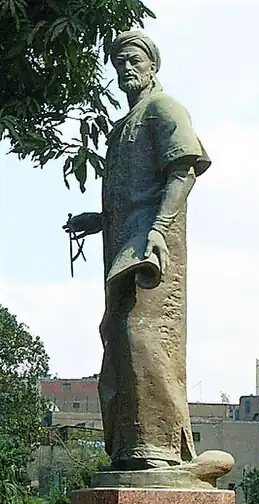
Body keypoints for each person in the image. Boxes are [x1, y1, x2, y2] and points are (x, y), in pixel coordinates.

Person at [63, 31, 211, 471]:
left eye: (132, 60)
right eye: (118, 62)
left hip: (152, 249)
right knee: (117, 339)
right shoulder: (122, 127)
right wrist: (99, 220)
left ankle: (163, 447)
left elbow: (183, 170)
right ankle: (130, 446)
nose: (125, 69)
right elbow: (130, 192)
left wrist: (160, 229)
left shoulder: (164, 109)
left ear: (152, 64)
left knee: (142, 334)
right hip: (122, 247)